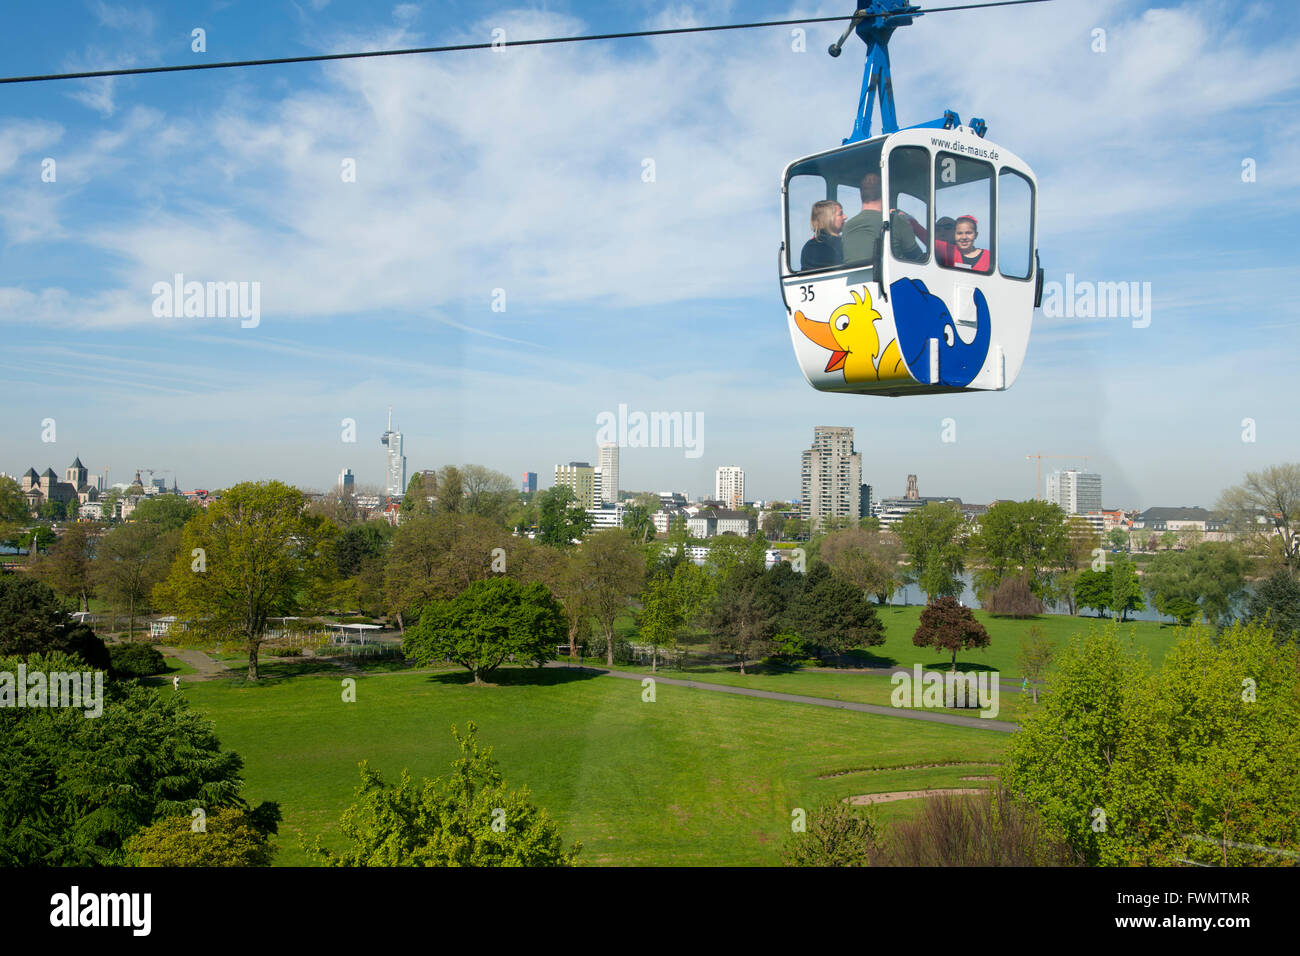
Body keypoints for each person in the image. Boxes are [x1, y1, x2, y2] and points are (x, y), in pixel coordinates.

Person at [841, 172, 885, 264]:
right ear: (884, 193)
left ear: (861, 194)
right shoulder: (893, 221)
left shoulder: (847, 226)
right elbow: (916, 256)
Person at [799, 200, 846, 271]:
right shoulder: (816, 247)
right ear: (828, 218)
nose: (845, 217)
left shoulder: (810, 245)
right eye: (840, 214)